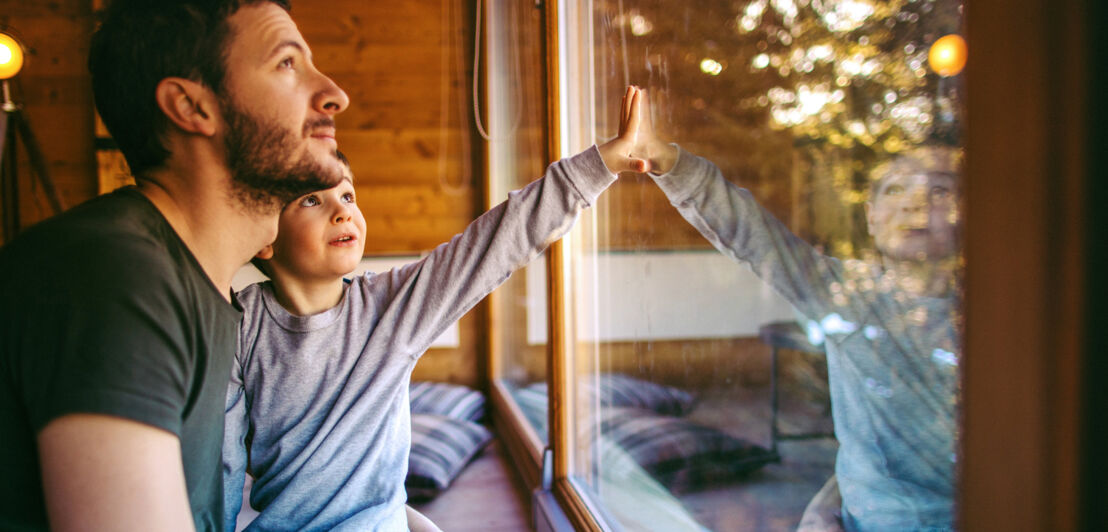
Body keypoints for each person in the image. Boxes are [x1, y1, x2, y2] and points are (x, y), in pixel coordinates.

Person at [222, 86, 662, 531]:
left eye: (349, 196)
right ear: (264, 236)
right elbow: (217, 466)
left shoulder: (390, 307)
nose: (343, 212)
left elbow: (497, 241)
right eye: (313, 200)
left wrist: (599, 165)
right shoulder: (237, 328)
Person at [0, 1, 349, 530]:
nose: (333, 95)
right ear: (190, 107)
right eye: (287, 64)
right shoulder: (112, 277)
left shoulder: (199, 290)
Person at [638, 122, 961, 530]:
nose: (915, 204)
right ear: (872, 217)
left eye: (938, 191)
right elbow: (751, 233)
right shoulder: (843, 292)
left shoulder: (1004, 319)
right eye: (895, 189)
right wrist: (669, 162)